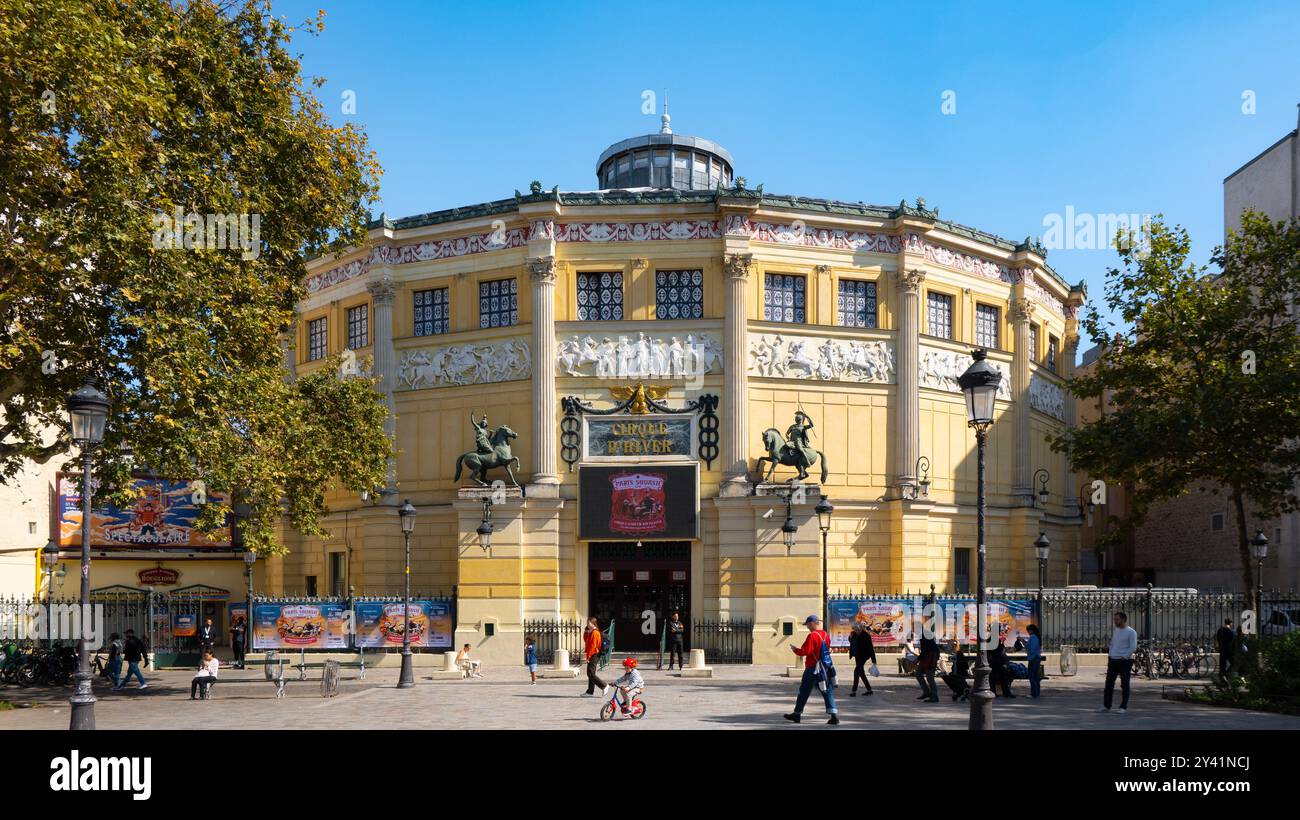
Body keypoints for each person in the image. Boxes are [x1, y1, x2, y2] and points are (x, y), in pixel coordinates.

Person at [784, 615, 839, 725]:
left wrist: (795, 650)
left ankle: (797, 714)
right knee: (827, 690)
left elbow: (805, 651)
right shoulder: (825, 635)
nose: (807, 627)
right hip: (824, 667)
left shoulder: (812, 636)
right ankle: (834, 716)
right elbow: (827, 648)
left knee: (804, 691)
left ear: (813, 623)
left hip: (812, 668)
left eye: (808, 624)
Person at [1100, 611, 1137, 713]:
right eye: (1114, 619)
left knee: (1124, 684)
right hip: (1113, 660)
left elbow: (1133, 647)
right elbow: (1113, 643)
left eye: (1117, 619)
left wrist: (1124, 657)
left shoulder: (1131, 632)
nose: (1115, 621)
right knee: (1109, 684)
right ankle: (1106, 706)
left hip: (1124, 661)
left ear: (1123, 620)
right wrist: (1110, 654)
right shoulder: (1116, 630)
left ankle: (1123, 707)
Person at [581, 617, 609, 697]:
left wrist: (589, 656)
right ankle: (590, 692)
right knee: (591, 673)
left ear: (593, 623)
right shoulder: (590, 632)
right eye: (587, 622)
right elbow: (586, 640)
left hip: (594, 654)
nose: (587, 624)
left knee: (590, 673)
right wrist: (586, 632)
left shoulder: (595, 633)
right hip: (592, 654)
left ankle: (604, 686)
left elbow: (593, 646)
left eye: (589, 622)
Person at [848, 621, 876, 696]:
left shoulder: (866, 635)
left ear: (860, 628)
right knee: (861, 673)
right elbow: (852, 642)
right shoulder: (854, 634)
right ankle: (869, 690)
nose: (856, 631)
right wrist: (850, 638)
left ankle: (854, 691)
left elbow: (870, 648)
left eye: (857, 630)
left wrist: (874, 660)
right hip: (857, 655)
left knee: (856, 671)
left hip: (864, 656)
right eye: (854, 630)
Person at [916, 632, 940, 702]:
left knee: (930, 677)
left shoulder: (925, 635)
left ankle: (934, 696)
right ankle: (926, 692)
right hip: (926, 657)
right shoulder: (923, 634)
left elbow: (927, 649)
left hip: (930, 657)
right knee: (918, 674)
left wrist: (918, 659)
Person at [989, 632, 1014, 698]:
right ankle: (1006, 693)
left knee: (997, 678)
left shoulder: (993, 639)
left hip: (995, 662)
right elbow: (1000, 651)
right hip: (997, 662)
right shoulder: (994, 640)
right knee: (1001, 678)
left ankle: (996, 692)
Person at [1026, 624, 1043, 699]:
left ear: (1031, 630)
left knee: (1032, 676)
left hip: (1033, 659)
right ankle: (1037, 693)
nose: (1028, 632)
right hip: (1037, 658)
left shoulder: (1032, 637)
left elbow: (1032, 649)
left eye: (1028, 630)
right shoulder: (1036, 637)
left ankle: (1033, 694)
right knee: (1036, 677)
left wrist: (1028, 651)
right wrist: (1023, 641)